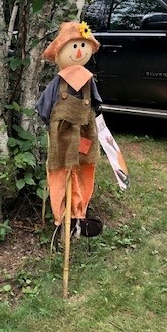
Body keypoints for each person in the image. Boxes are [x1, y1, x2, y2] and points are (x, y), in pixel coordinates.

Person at [36, 21, 102, 237]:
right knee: (59, 173)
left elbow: (96, 105)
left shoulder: (88, 81)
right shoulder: (58, 83)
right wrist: (52, 127)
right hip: (61, 139)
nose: (79, 51)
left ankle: (78, 216)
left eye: (83, 46)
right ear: (60, 52)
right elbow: (43, 108)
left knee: (84, 169)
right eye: (74, 46)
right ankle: (62, 217)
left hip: (84, 135)